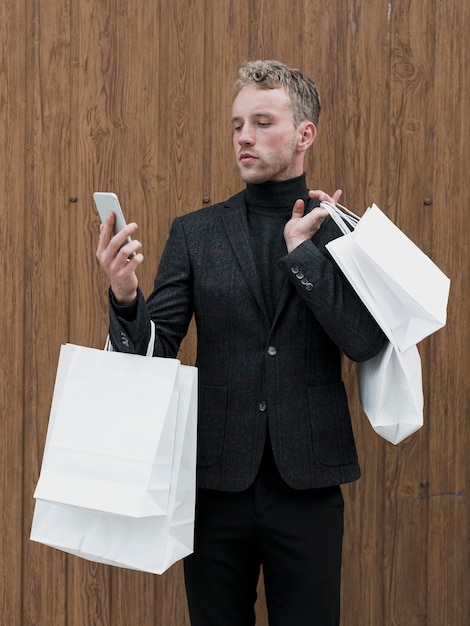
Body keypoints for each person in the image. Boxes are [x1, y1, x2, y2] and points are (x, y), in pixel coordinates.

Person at [96, 60, 386, 626]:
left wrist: (304, 255)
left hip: (309, 483)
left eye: (261, 122)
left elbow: (364, 342)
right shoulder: (195, 232)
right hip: (214, 485)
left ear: (305, 134)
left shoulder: (343, 234)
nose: (244, 137)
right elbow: (156, 355)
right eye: (236, 125)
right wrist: (127, 298)